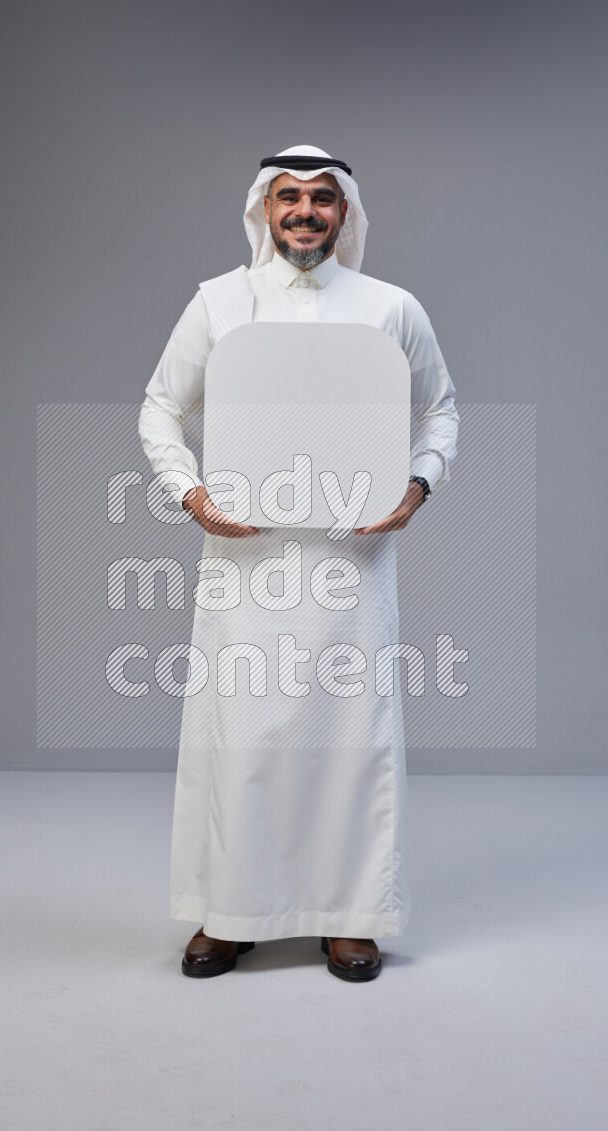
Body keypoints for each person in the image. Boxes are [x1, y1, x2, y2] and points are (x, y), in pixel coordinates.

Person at [138, 145, 459, 981]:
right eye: (289, 197)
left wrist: (418, 486)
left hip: (352, 566)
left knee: (348, 736)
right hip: (244, 565)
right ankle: (232, 912)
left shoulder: (392, 307)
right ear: (263, 208)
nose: (306, 211)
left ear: (345, 212)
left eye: (322, 198)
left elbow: (441, 408)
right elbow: (160, 408)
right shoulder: (218, 302)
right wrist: (192, 494)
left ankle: (351, 916)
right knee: (241, 736)